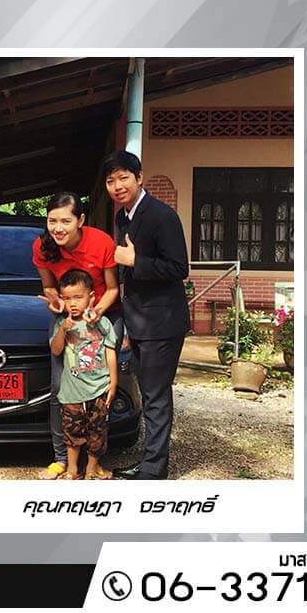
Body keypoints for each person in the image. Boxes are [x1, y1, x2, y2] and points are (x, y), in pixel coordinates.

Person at [102, 151, 190, 480]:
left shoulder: (162, 216)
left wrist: (135, 261)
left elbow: (179, 268)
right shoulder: (123, 217)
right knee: (148, 392)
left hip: (162, 322)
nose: (117, 186)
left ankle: (154, 470)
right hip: (138, 320)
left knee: (155, 395)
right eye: (110, 181)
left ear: (139, 177)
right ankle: (150, 459)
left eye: (124, 177)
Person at [31, 191, 119, 480]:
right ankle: (61, 458)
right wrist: (56, 303)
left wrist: (98, 312)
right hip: (66, 319)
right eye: (52, 221)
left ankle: (95, 460)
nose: (58, 228)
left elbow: (113, 288)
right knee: (60, 387)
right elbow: (49, 286)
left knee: (102, 387)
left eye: (65, 221)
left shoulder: (101, 242)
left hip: (101, 315)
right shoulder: (41, 247)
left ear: (80, 220)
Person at [49, 269, 118, 480]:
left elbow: (110, 352)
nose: (72, 303)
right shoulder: (62, 324)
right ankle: (72, 469)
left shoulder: (102, 323)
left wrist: (113, 382)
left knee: (98, 432)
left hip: (99, 389)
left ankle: (91, 469)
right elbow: (56, 350)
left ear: (91, 297)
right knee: (72, 433)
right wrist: (63, 330)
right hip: (72, 392)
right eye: (67, 298)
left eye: (78, 297)